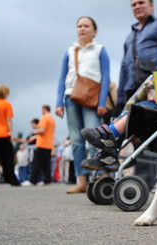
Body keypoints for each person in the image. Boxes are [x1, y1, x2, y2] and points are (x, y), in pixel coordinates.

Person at [81, 40, 157, 189]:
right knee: (137, 109)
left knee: (142, 109)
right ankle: (109, 152)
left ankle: (110, 136)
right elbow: (136, 98)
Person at [55, 16, 111, 193]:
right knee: (77, 141)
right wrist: (59, 103)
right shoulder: (70, 51)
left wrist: (102, 102)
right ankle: (81, 180)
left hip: (91, 99)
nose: (82, 29)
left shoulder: (100, 50)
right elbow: (62, 77)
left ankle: (103, 176)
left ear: (94, 31)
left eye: (86, 26)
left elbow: (106, 77)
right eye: (79, 26)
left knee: (94, 137)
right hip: (70, 97)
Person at [117, 0, 157, 109]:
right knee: (131, 120)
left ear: (151, 6)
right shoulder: (129, 37)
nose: (137, 6)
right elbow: (123, 67)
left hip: (155, 82)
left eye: (141, 2)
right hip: (130, 87)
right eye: (134, 5)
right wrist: (119, 99)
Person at [22, 105, 56, 186]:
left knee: (36, 163)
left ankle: (32, 180)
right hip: (49, 144)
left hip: (42, 144)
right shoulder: (52, 119)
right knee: (46, 164)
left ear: (44, 109)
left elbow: (42, 130)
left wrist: (35, 132)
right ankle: (47, 180)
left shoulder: (44, 117)